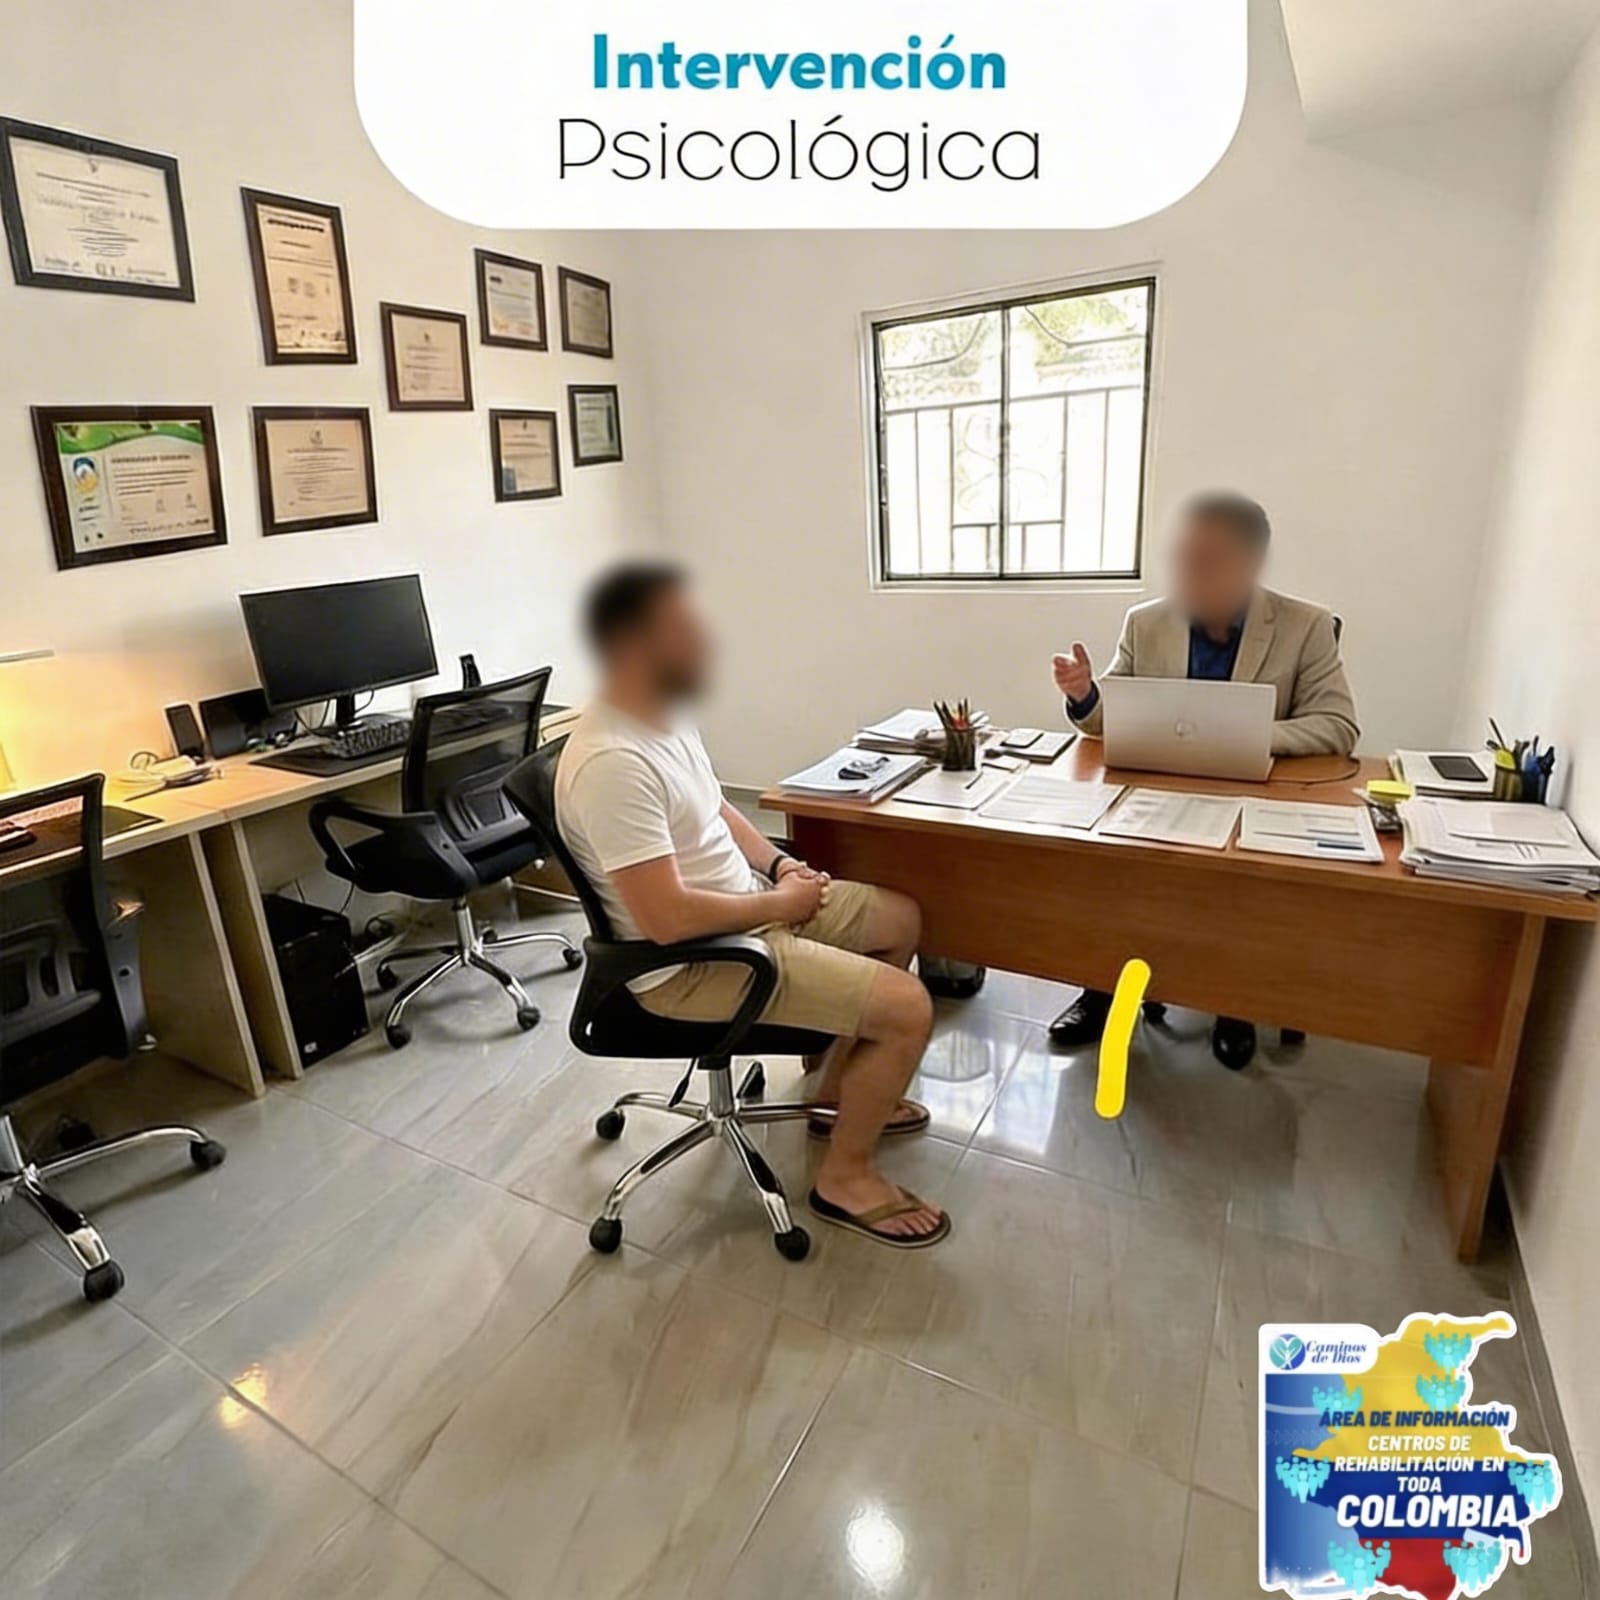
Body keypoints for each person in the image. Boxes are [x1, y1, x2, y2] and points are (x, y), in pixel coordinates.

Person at [555, 563, 950, 1247]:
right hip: (691, 963)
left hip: (749, 906)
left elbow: (715, 809)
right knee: (909, 1008)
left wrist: (779, 867)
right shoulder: (610, 763)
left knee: (901, 919)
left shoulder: (662, 711)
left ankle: (835, 1095)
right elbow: (666, 920)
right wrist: (782, 906)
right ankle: (845, 1177)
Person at [1048, 491, 1360, 1069]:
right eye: (1185, 556)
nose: (1193, 571)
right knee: (1100, 863)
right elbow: (1108, 719)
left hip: (1252, 794)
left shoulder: (1306, 626)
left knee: (1237, 885)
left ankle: (1233, 1004)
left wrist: (1245, 733)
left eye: (1210, 558)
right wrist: (1086, 695)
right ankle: (1101, 990)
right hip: (1157, 791)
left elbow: (1338, 726)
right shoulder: (1146, 622)